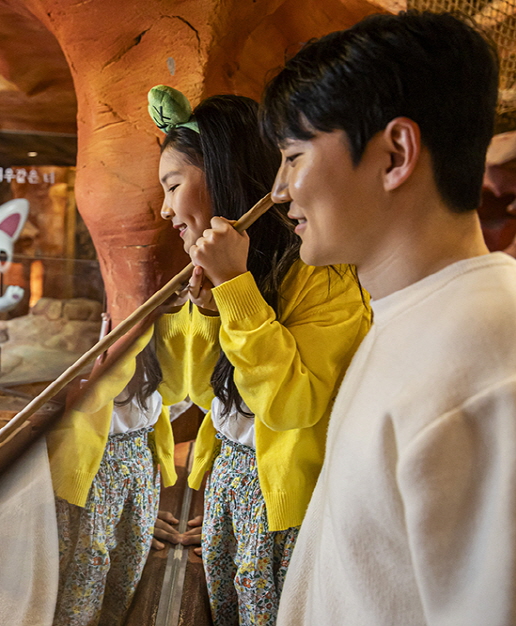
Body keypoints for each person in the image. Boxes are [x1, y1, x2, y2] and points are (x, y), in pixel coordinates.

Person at [259, 11, 516, 625]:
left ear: (395, 154)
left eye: (293, 156)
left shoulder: (486, 362)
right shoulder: (407, 315)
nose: (278, 190)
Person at [147, 87, 370, 626]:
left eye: (172, 185)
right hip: (228, 480)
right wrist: (210, 310)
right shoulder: (231, 276)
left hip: (283, 510)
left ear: (223, 176)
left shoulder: (326, 276)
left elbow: (291, 404)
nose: (165, 209)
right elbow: (195, 390)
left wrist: (235, 289)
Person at [48, 326, 177, 626]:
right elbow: (91, 396)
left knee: (130, 563)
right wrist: (130, 330)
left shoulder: (160, 334)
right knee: (87, 566)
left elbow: (179, 389)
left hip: (141, 463)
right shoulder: (99, 335)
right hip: (93, 466)